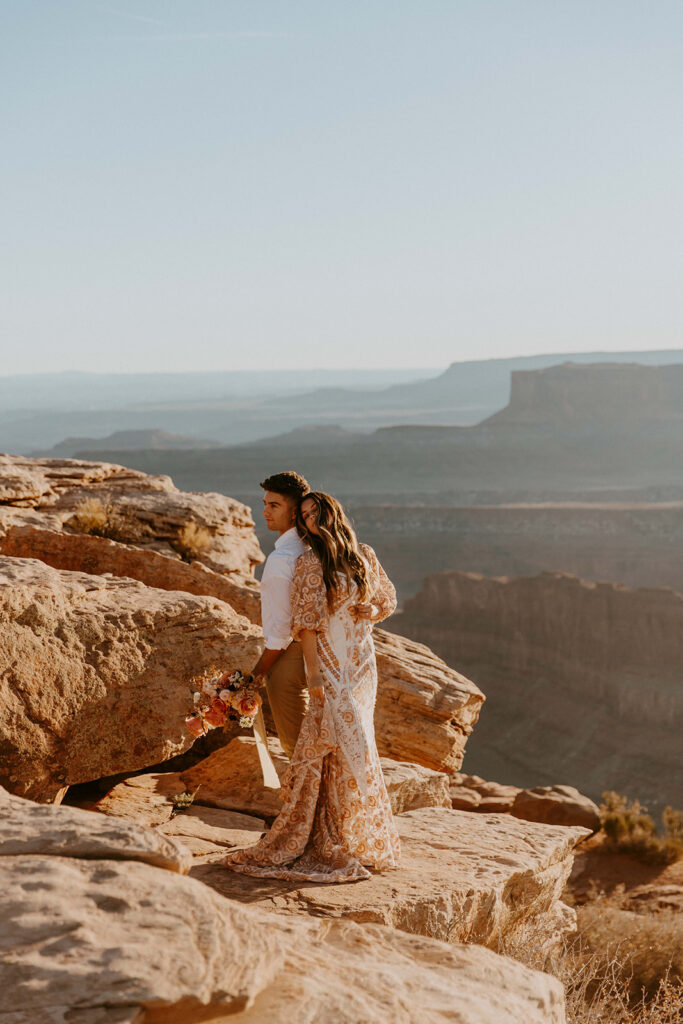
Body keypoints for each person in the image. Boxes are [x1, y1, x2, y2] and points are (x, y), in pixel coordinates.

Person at [222, 491, 400, 883]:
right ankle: (326, 833)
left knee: (360, 741)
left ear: (332, 512)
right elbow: (305, 624)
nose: (310, 521)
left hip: (362, 660)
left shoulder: (363, 555)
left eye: (315, 512)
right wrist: (315, 674)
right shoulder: (308, 562)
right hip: (330, 659)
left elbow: (387, 596)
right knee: (339, 737)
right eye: (303, 516)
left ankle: (354, 835)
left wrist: (374, 609)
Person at [247, 470, 310, 759]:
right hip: (315, 656)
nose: (265, 512)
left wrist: (256, 674)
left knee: (297, 746)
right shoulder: (311, 549)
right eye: (265, 504)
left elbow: (282, 630)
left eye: (274, 506)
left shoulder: (281, 560)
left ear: (295, 512)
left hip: (289, 658)